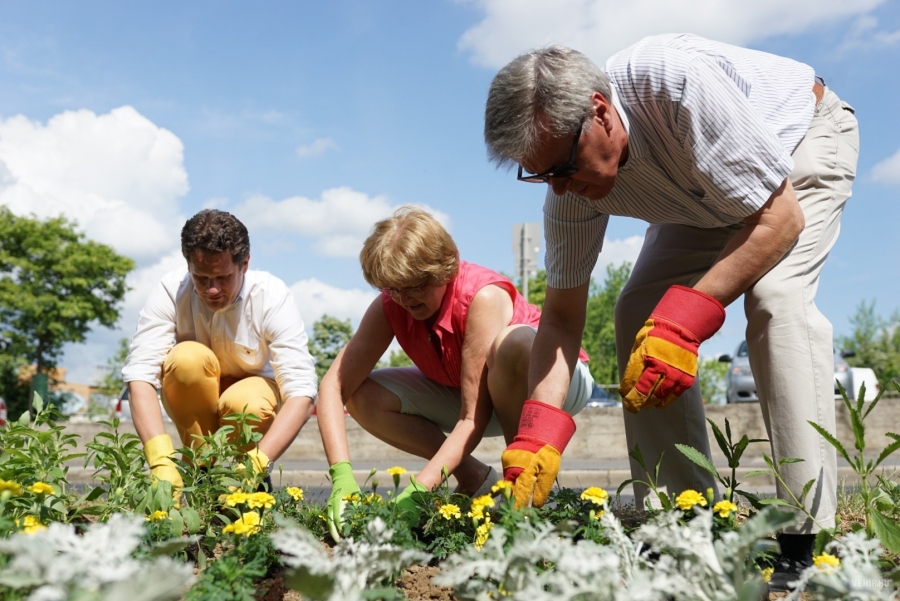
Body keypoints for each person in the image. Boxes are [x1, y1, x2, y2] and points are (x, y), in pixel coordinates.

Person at [484, 33, 858, 591]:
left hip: (798, 144)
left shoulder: (673, 83)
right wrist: (536, 433)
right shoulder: (568, 192)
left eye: (562, 166)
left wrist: (687, 320)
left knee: (777, 302)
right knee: (639, 314)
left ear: (600, 112)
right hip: (701, 193)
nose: (559, 189)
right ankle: (685, 523)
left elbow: (780, 220)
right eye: (541, 176)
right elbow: (561, 319)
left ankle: (807, 540)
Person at [318, 206, 593, 538]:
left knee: (514, 344)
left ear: (443, 269)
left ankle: (526, 499)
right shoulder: (391, 306)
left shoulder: (482, 297)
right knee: (363, 395)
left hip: (552, 384)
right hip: (480, 399)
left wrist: (422, 487)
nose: (404, 299)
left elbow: (471, 419)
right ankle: (475, 477)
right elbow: (333, 385)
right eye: (393, 287)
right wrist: (342, 477)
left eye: (415, 285)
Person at [122, 209, 318, 497]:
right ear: (188, 265)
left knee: (246, 403)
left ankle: (249, 476)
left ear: (245, 264)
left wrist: (260, 461)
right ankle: (200, 472)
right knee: (186, 359)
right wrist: (160, 460)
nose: (212, 289)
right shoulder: (170, 290)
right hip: (195, 397)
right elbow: (140, 374)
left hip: (251, 400)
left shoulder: (272, 295)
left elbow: (301, 390)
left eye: (223, 277)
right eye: (201, 278)